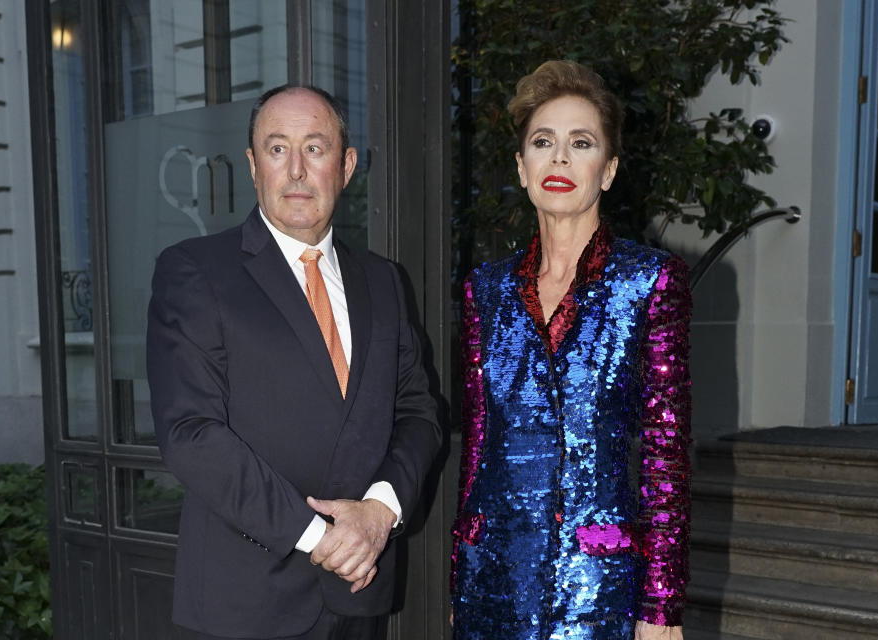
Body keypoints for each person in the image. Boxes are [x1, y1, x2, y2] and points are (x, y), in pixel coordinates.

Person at [147, 85, 441, 640]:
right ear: (254, 166)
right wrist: (319, 537)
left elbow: (419, 413)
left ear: (347, 165)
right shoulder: (195, 271)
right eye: (278, 149)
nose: (298, 171)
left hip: (360, 591)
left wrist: (379, 514)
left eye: (316, 147)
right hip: (245, 603)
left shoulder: (384, 281)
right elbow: (191, 433)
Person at [451, 60, 691, 640]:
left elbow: (666, 455)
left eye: (580, 143)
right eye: (543, 142)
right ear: (522, 166)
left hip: (598, 587)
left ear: (606, 171)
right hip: (493, 582)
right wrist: (461, 570)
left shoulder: (650, 281)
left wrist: (661, 607)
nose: (559, 158)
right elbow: (478, 445)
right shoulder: (483, 290)